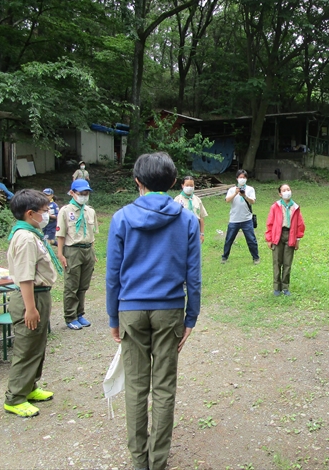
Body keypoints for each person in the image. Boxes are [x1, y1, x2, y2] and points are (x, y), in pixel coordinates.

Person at [106, 152, 200, 470]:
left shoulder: (121, 218)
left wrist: (112, 318)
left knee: (135, 386)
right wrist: (191, 318)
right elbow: (194, 274)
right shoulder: (186, 217)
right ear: (173, 182)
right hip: (169, 309)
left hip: (131, 310)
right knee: (163, 386)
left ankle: (139, 461)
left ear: (137, 182)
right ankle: (158, 461)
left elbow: (112, 275)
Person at [4, 189, 62, 417]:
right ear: (30, 213)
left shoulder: (31, 233)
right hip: (31, 296)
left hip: (40, 294)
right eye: (44, 211)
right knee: (26, 348)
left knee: (37, 344)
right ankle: (15, 397)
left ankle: (30, 386)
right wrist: (30, 308)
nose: (47, 214)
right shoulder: (26, 238)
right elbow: (25, 276)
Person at [56, 179, 98, 330]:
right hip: (72, 250)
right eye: (81, 193)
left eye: (86, 193)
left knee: (83, 285)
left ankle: (80, 313)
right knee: (71, 285)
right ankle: (70, 316)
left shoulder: (90, 211)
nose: (84, 196)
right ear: (72, 193)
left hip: (87, 250)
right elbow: (60, 234)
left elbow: (92, 234)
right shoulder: (65, 211)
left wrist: (93, 252)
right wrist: (60, 254)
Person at [265, 183, 306, 296]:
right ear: (280, 194)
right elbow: (270, 223)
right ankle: (276, 287)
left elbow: (300, 225)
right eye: (284, 190)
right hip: (277, 235)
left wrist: (297, 239)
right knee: (277, 262)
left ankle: (285, 287)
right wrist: (269, 239)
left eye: (288, 189)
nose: (287, 192)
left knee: (287, 263)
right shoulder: (275, 206)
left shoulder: (295, 207)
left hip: (290, 235)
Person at [221, 169, 260, 264]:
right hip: (234, 219)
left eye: (244, 177)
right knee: (229, 239)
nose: (242, 179)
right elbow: (227, 200)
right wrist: (235, 193)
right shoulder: (231, 189)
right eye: (240, 177)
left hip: (247, 219)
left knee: (251, 240)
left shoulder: (250, 189)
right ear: (237, 178)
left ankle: (256, 257)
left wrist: (245, 195)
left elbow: (253, 201)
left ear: (246, 179)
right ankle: (224, 257)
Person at [174, 175, 208, 244]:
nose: (189, 187)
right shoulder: (177, 200)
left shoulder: (197, 200)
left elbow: (201, 217)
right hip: (182, 229)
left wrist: (202, 233)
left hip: (195, 229)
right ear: (182, 185)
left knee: (194, 250)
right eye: (187, 185)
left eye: (191, 185)